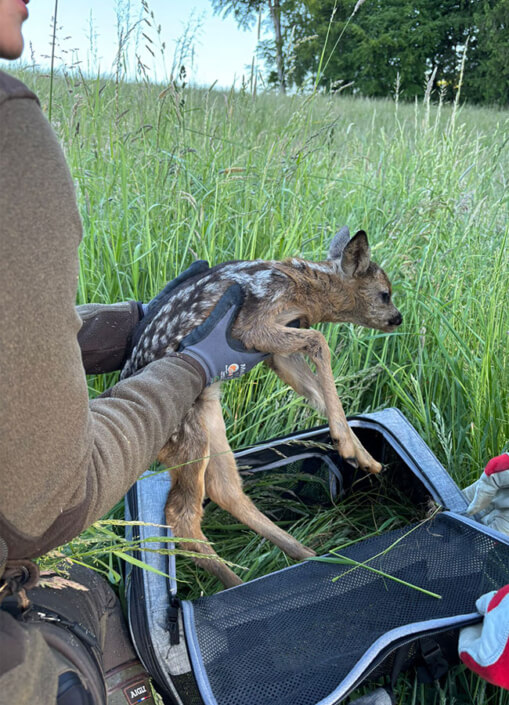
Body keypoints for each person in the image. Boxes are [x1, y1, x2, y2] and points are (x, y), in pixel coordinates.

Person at [0, 1, 264, 703]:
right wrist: (191, 366)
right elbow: (50, 498)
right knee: (87, 608)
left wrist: (139, 323)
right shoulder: (7, 131)